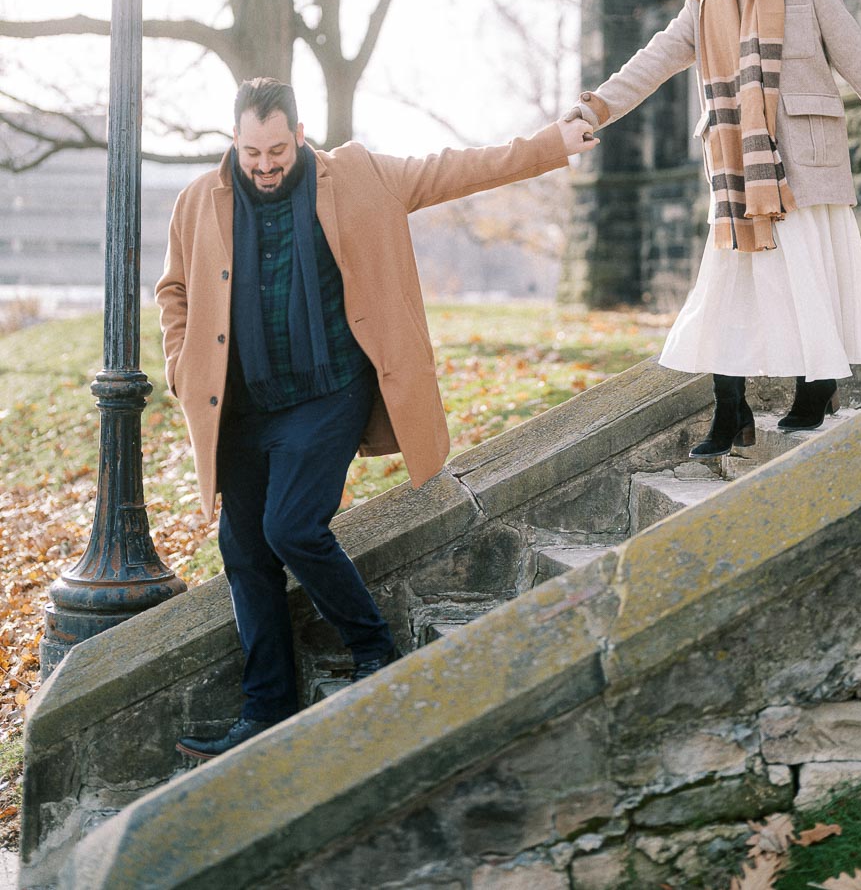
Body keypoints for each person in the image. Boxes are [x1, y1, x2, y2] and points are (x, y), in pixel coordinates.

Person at [157, 78, 597, 759]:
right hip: (240, 408)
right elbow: (175, 290)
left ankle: (374, 651)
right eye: (252, 153)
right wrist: (180, 364)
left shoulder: (359, 175)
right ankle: (265, 708)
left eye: (277, 151)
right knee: (243, 552)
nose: (265, 166)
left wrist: (550, 145)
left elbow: (456, 169)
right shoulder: (198, 201)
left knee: (290, 527)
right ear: (234, 143)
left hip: (329, 392)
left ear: (300, 136)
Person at [569, 0, 861, 458]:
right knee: (728, 285)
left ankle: (817, 385)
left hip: (804, 160)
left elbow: (860, 64)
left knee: (805, 276)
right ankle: (731, 407)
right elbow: (654, 59)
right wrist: (595, 108)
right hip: (739, 169)